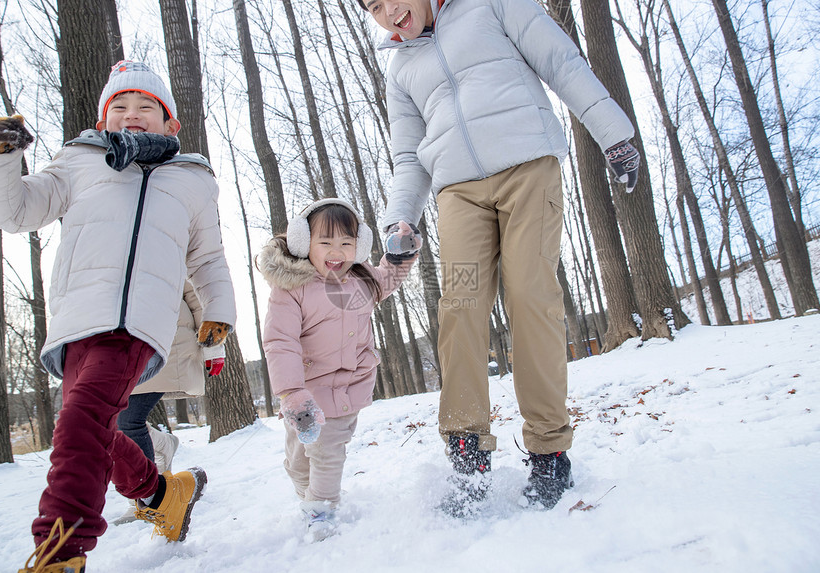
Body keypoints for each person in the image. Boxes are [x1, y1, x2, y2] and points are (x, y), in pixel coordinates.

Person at [359, 0, 641, 514]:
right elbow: (407, 154)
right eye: (373, 6)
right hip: (457, 195)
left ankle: (549, 449)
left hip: (526, 169)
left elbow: (561, 61)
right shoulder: (401, 68)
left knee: (531, 296)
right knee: (460, 306)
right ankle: (468, 451)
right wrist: (401, 219)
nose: (388, 11)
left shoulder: (493, 4)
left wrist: (614, 133)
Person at [0, 60, 236, 572]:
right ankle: (163, 494)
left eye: (146, 108)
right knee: (96, 429)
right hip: (76, 320)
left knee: (80, 424)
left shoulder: (191, 180)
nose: (132, 115)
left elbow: (206, 257)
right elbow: (16, 212)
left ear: (171, 125)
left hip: (138, 325)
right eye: (120, 107)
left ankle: (59, 553)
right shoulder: (78, 160)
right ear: (102, 118)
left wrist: (219, 312)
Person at [259, 198, 419, 541]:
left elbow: (389, 277)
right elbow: (280, 341)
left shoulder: (362, 282)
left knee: (327, 453)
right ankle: (310, 495)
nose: (337, 251)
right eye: (326, 242)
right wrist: (292, 392)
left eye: (347, 243)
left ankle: (321, 511)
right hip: (304, 394)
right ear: (304, 243)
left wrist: (401, 253)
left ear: (358, 246)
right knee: (298, 461)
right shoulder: (291, 289)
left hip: (348, 388)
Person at [112, 281, 227, 526]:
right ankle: (162, 447)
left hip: (164, 340)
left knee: (128, 421)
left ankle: (148, 498)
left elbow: (197, 296)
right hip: (122, 341)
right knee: (111, 420)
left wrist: (214, 348)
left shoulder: (166, 244)